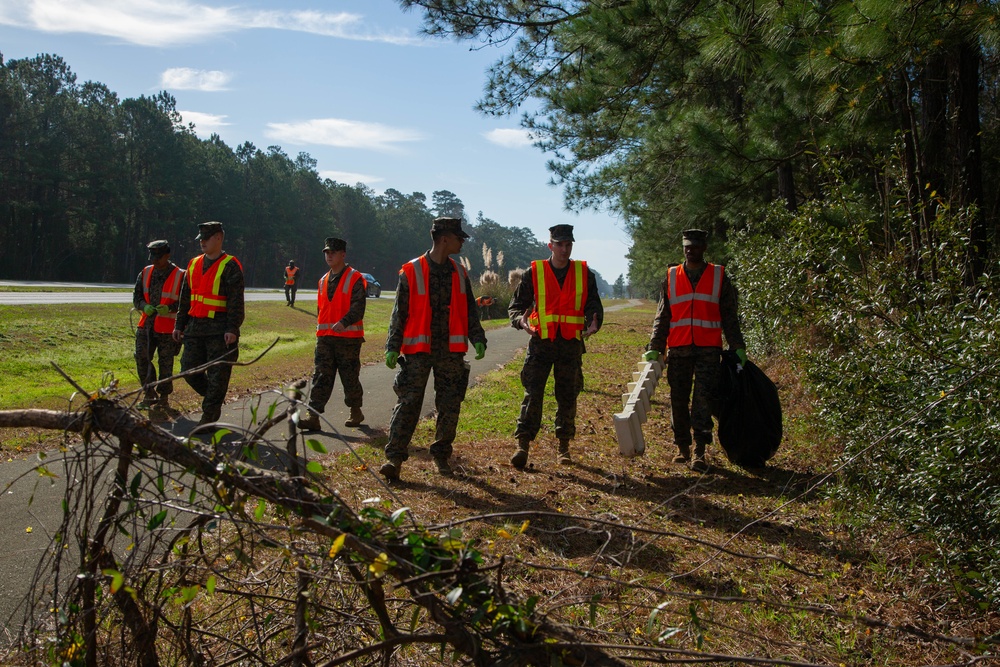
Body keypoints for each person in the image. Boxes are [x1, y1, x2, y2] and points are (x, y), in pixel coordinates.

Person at [380, 217, 487, 481]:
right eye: (458, 237)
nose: (462, 241)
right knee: (408, 404)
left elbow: (470, 311)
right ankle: (394, 459)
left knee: (450, 405)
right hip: (418, 351)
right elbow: (399, 313)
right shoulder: (412, 271)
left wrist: (478, 337)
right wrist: (393, 346)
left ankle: (441, 456)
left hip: (451, 351)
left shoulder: (460, 272)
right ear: (444, 239)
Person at [643, 228, 747, 473]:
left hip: (708, 350)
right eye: (687, 246)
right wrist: (655, 346)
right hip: (678, 349)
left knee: (702, 400)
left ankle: (699, 451)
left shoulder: (719, 276)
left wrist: (738, 346)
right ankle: (682, 447)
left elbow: (730, 316)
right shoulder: (671, 276)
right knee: (678, 400)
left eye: (695, 246)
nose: (691, 250)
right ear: (683, 248)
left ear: (704, 248)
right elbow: (663, 316)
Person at [508, 224, 603, 468]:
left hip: (570, 345)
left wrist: (594, 321)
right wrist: (521, 321)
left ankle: (564, 447)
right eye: (559, 244)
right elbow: (516, 307)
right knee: (533, 394)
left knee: (567, 397)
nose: (564, 249)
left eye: (568, 244)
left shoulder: (584, 273)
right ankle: (523, 445)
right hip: (541, 345)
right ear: (550, 245)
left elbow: (594, 305)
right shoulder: (534, 272)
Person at [172, 221, 245, 426]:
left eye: (207, 237)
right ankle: (214, 399)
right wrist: (179, 325)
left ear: (219, 237)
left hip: (219, 331)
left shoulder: (230, 265)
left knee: (218, 375)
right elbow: (185, 297)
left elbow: (236, 302)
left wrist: (232, 328)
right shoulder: (194, 264)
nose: (202, 242)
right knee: (188, 370)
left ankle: (209, 415)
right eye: (200, 238)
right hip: (195, 328)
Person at [297, 238, 367, 431]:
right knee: (321, 377)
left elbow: (358, 307)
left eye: (333, 252)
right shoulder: (322, 280)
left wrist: (344, 322)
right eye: (327, 252)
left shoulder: (355, 278)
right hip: (325, 338)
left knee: (349, 377)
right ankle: (313, 416)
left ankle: (355, 411)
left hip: (348, 339)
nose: (329, 256)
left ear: (343, 254)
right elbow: (321, 309)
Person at [132, 239, 184, 410]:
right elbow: (137, 297)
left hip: (168, 328)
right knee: (141, 356)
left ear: (167, 255)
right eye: (152, 256)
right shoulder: (145, 273)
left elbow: (187, 303)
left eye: (159, 257)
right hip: (146, 325)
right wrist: (143, 306)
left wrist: (169, 308)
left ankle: (164, 397)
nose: (154, 260)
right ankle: (149, 393)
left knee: (166, 363)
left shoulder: (180, 275)